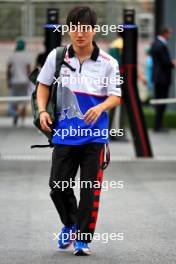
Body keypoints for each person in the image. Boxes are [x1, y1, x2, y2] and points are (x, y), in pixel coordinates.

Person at [36, 6, 121, 256]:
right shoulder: (57, 57)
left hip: (94, 138)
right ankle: (71, 224)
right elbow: (42, 86)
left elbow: (116, 96)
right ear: (69, 30)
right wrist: (42, 111)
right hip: (64, 135)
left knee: (88, 190)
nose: (79, 33)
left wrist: (101, 107)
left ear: (94, 30)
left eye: (85, 27)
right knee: (57, 186)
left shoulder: (108, 63)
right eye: (74, 27)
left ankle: (83, 239)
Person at [150, 27, 176, 132]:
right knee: (161, 101)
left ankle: (158, 125)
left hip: (159, 78)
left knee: (160, 101)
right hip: (162, 78)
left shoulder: (156, 43)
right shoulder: (160, 45)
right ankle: (158, 126)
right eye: (169, 34)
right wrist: (172, 63)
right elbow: (165, 62)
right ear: (165, 33)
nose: (170, 36)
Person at [7, 38, 31, 126]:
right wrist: (30, 81)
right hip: (24, 81)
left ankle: (16, 114)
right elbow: (28, 70)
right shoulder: (26, 56)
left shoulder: (13, 56)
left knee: (15, 100)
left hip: (14, 81)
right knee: (24, 100)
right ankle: (22, 120)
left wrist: (8, 81)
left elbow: (8, 70)